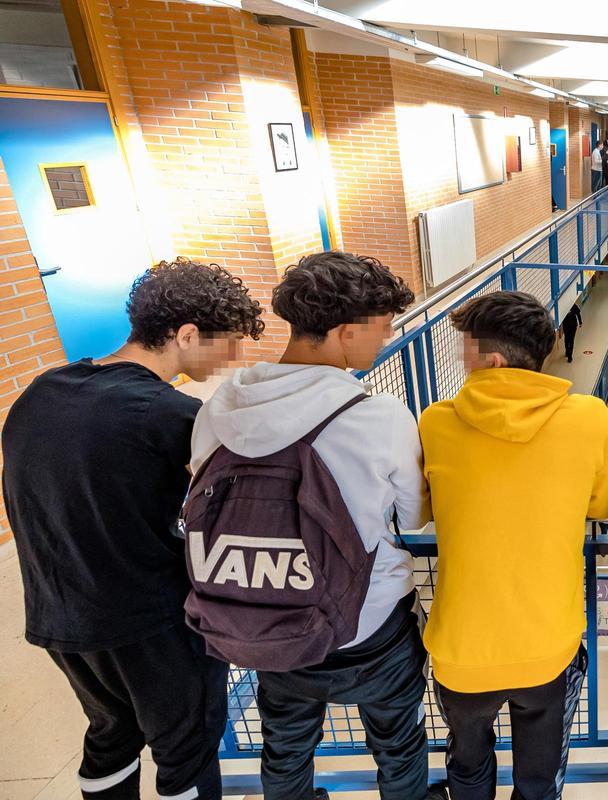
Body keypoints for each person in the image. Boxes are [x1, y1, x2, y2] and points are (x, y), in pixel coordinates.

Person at [2, 258, 264, 800]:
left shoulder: (42, 391)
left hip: (59, 616)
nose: (235, 357)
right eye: (230, 342)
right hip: (147, 621)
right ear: (186, 334)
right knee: (185, 749)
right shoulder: (168, 413)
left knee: (111, 733)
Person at [188, 251, 428, 800]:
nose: (387, 340)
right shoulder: (378, 416)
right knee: (398, 743)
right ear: (345, 333)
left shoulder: (217, 409)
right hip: (367, 629)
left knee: (286, 746)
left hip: (264, 623)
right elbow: (416, 519)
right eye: (383, 328)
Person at [419, 291, 608, 800]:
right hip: (546, 648)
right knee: (538, 776)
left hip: (461, 650)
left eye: (464, 349)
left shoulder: (435, 422)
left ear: (492, 359)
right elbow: (603, 506)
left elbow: (421, 510)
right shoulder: (590, 417)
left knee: (467, 764)